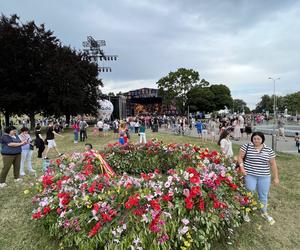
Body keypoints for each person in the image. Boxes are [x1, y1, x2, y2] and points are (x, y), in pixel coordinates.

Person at [237, 132, 279, 225]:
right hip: (250, 175)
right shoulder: (246, 146)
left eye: (258, 139)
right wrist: (242, 168)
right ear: (252, 139)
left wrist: (276, 177)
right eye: (254, 138)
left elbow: (273, 164)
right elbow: (240, 157)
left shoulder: (268, 150)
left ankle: (264, 213)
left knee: (263, 195)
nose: (256, 140)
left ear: (262, 139)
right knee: (249, 193)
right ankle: (245, 212)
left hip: (264, 176)